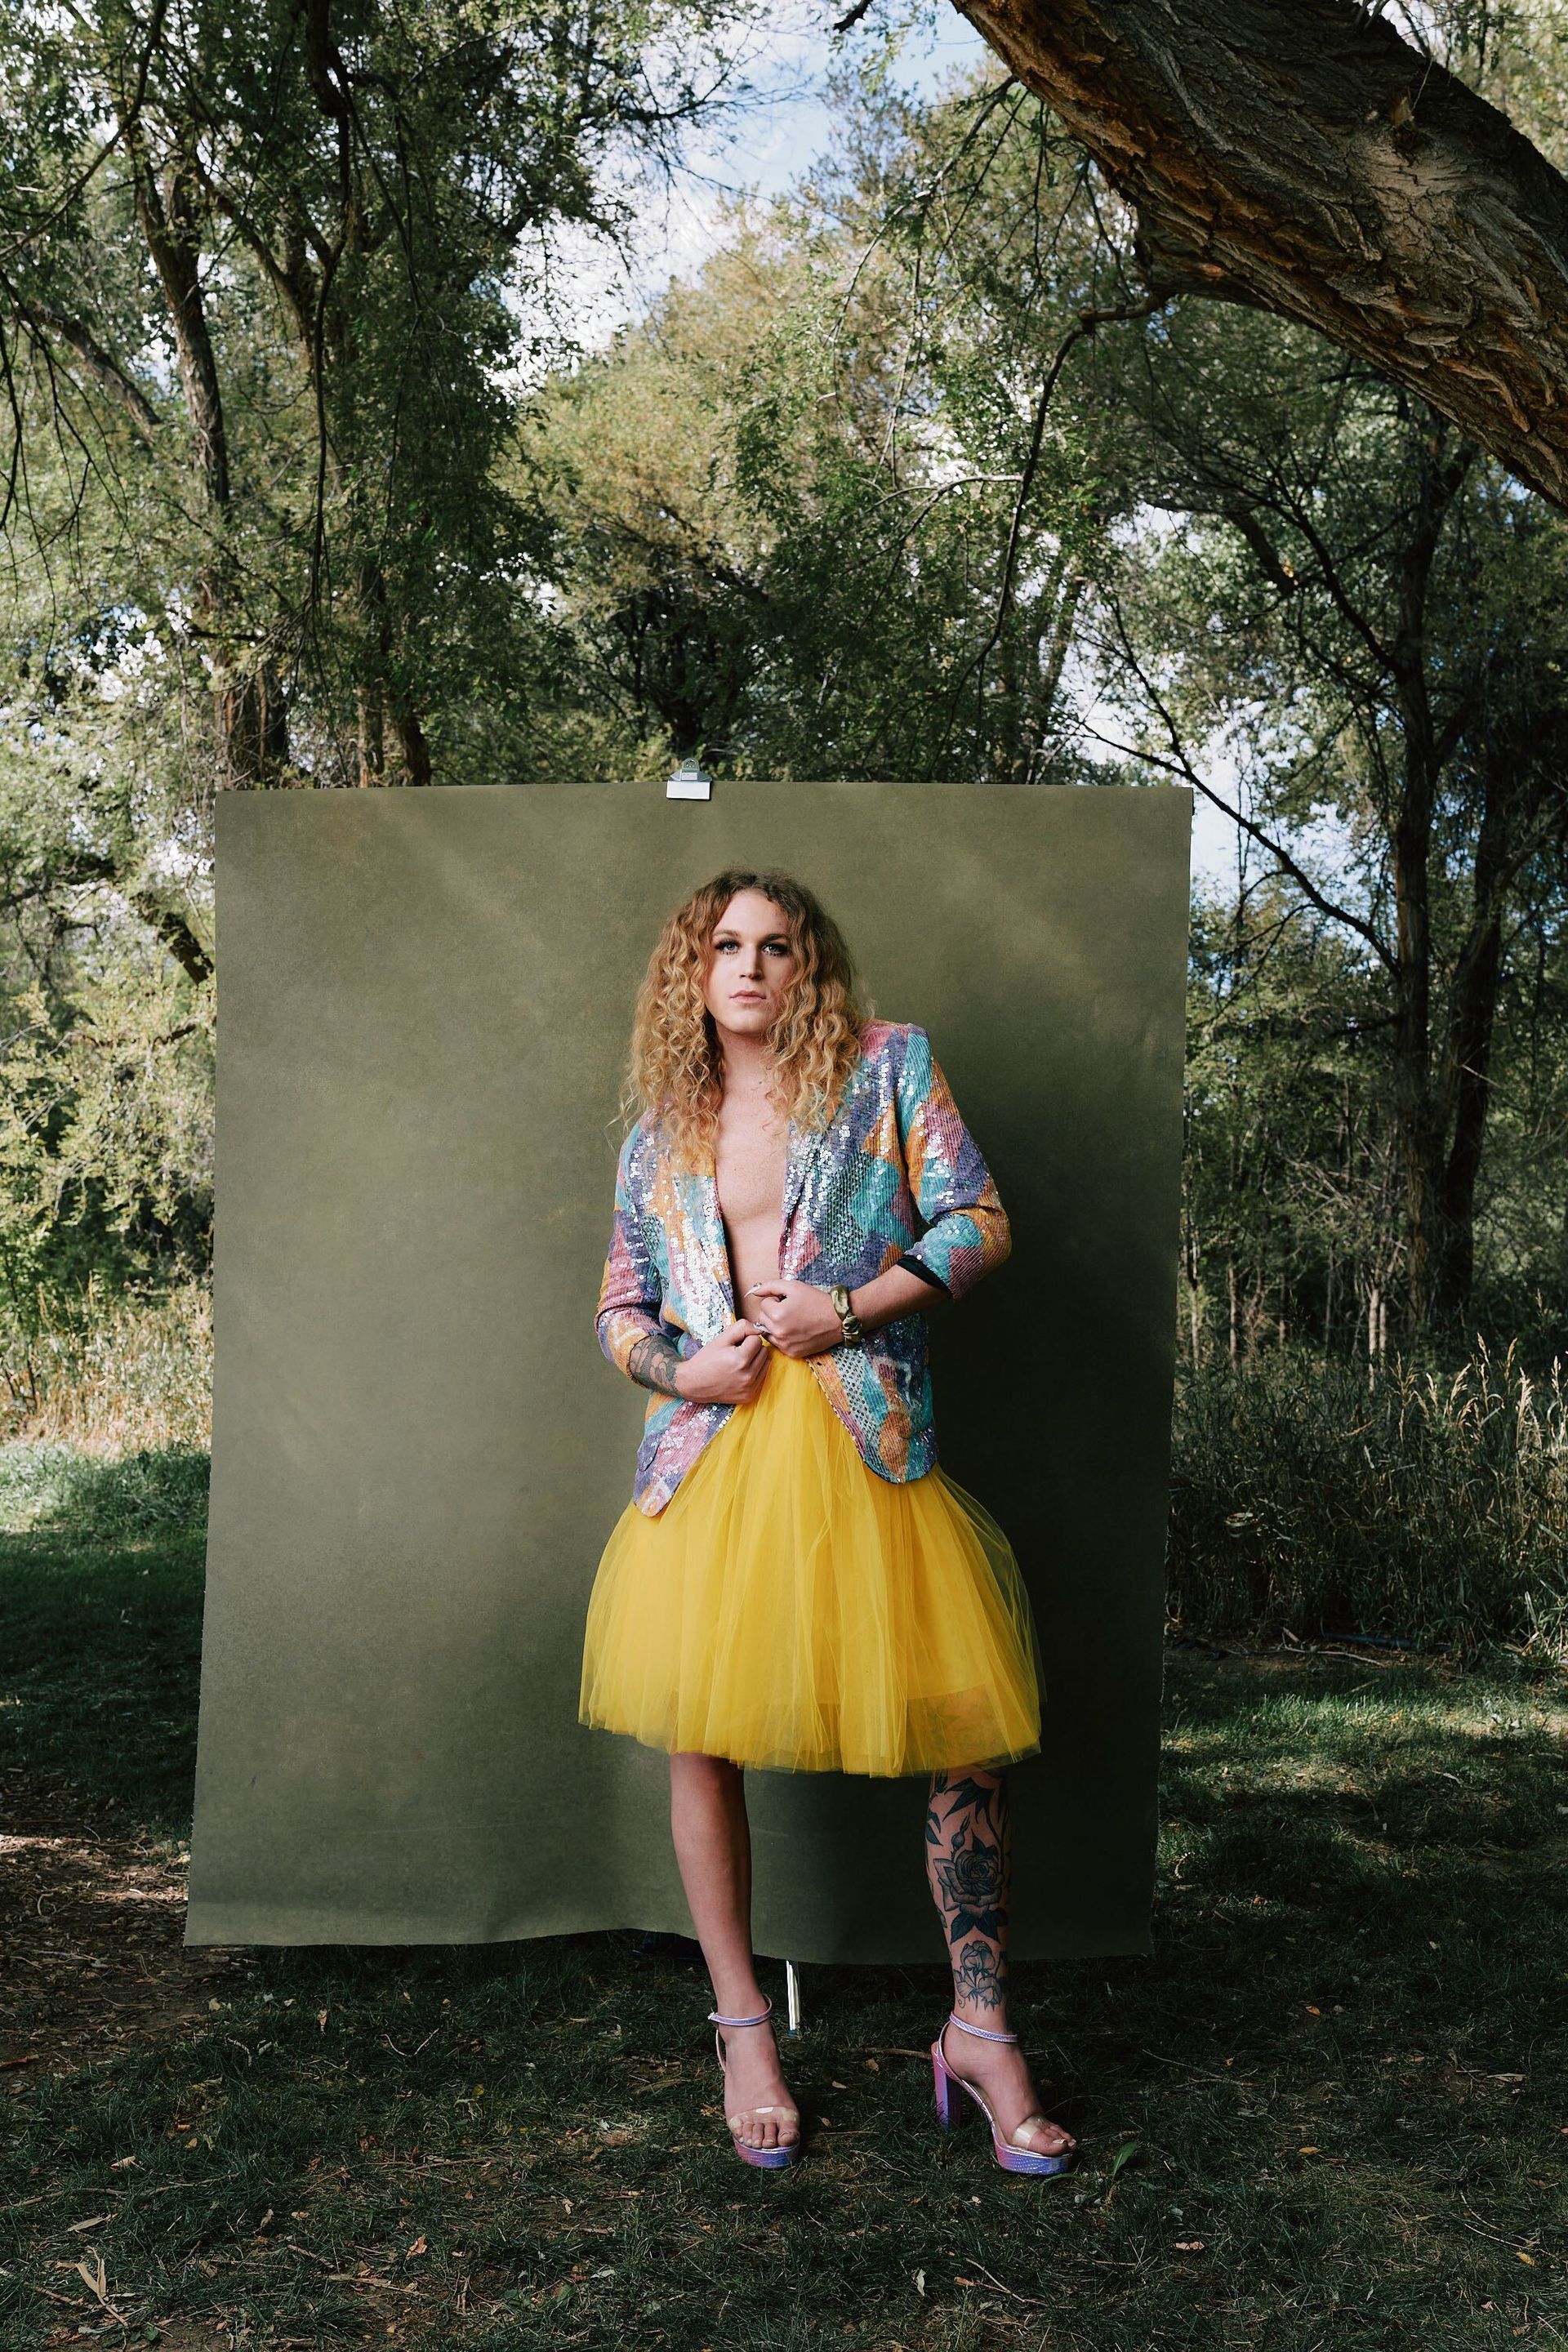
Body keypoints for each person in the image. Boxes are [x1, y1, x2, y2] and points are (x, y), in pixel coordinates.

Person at [579, 869, 1076, 2178]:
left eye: (777, 946)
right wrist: (685, 1372)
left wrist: (850, 1310)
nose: (750, 966)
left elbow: (980, 1222)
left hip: (866, 1445)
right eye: (725, 945)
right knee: (703, 1739)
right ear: (693, 973)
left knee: (965, 1729)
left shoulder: (887, 1067)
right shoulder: (657, 1135)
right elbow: (623, 1308)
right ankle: (745, 2034)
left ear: (811, 967)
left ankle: (981, 2031)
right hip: (714, 1456)